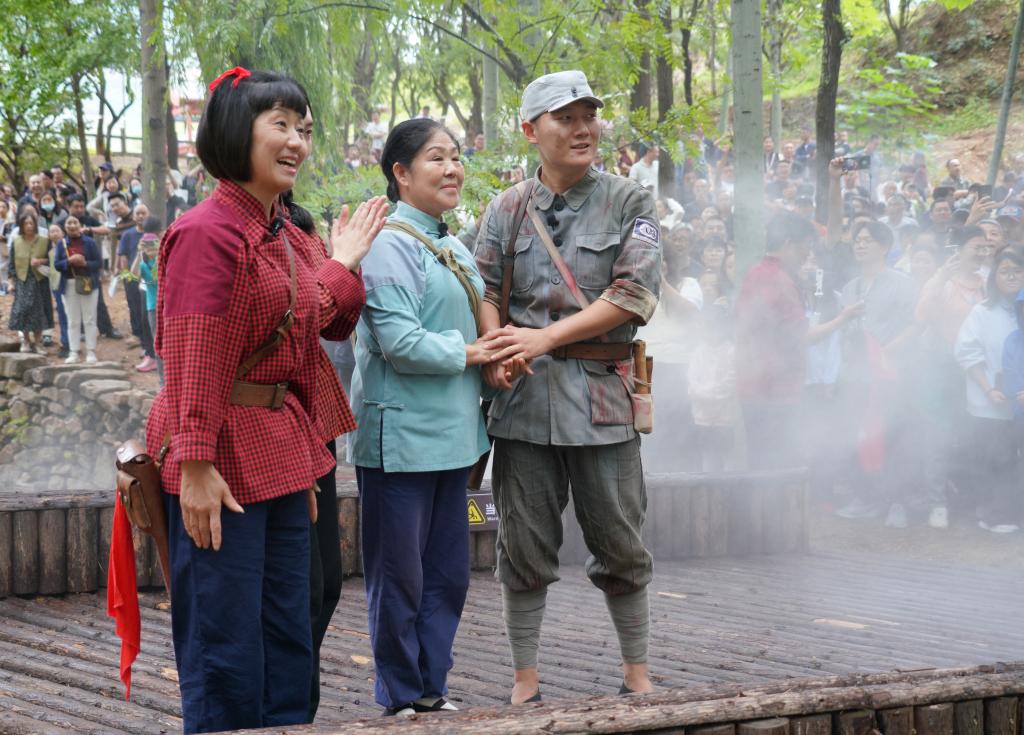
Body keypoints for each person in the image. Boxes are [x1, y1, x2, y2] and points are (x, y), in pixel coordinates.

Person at [143, 67, 385, 734]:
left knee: (288, 630)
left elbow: (319, 323)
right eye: (279, 124)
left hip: (278, 449)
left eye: (302, 128)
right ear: (234, 131)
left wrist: (344, 261)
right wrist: (195, 465)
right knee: (226, 639)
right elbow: (192, 352)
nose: (297, 142)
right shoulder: (208, 232)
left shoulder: (282, 229)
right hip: (219, 455)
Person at [475, 70, 661, 703]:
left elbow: (633, 294)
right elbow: (484, 288)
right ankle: (524, 678)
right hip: (523, 404)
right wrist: (498, 348)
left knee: (620, 540)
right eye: (566, 118)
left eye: (589, 116)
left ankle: (637, 672)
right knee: (523, 545)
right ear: (531, 130)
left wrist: (543, 339)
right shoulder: (506, 208)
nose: (583, 129)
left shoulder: (629, 202)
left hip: (603, 401)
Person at [348, 118, 502, 717]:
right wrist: (475, 354)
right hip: (402, 439)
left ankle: (432, 686)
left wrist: (496, 363)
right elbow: (400, 343)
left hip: (456, 437)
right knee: (400, 577)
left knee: (448, 575)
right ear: (401, 173)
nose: (452, 168)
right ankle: (400, 693)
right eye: (436, 158)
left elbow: (468, 325)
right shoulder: (388, 245)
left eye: (456, 157)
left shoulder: (453, 245)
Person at [832, 221, 918, 526]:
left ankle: (895, 501)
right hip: (856, 375)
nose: (860, 244)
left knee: (891, 435)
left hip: (889, 374)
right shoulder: (850, 288)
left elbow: (916, 325)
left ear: (884, 246)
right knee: (858, 435)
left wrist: (887, 351)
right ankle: (865, 496)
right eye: (857, 240)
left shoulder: (902, 283)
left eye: (867, 240)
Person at [735, 211, 815, 470]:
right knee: (780, 466)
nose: (808, 254)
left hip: (754, 386)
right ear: (789, 243)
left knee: (760, 463)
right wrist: (842, 319)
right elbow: (798, 337)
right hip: (777, 390)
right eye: (806, 246)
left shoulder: (755, 273)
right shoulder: (779, 280)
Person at [954, 247, 1023, 532]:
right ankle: (999, 514)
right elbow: (967, 352)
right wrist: (988, 390)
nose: (1012, 276)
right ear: (994, 276)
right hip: (993, 401)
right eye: (1005, 271)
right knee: (997, 458)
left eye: (1017, 270)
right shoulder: (982, 312)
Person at [53, 215, 102, 364]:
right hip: (68, 284)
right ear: (65, 227)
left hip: (88, 283)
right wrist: (69, 261)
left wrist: (84, 263)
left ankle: (91, 351)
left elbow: (98, 263)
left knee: (89, 318)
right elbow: (57, 265)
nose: (72, 225)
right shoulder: (61, 244)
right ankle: (73, 352)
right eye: (69, 223)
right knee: (73, 320)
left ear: (80, 226)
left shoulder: (90, 242)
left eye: (75, 222)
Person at [118, 202, 157, 372]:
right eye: (138, 213)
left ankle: (154, 355)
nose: (140, 216)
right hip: (142, 286)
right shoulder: (128, 235)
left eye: (143, 213)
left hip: (154, 289)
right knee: (142, 319)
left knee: (152, 323)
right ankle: (148, 352)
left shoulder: (158, 241)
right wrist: (140, 253)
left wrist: (154, 250)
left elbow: (156, 274)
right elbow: (131, 267)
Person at [7, 212, 53, 353]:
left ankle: (37, 343)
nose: (28, 226)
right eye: (25, 223)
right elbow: (11, 264)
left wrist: (40, 261)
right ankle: (26, 341)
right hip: (23, 281)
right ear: (21, 226)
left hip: (40, 280)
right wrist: (11, 282)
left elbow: (52, 259)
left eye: (31, 223)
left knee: (40, 311)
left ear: (35, 224)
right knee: (23, 311)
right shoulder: (16, 242)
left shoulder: (45, 241)